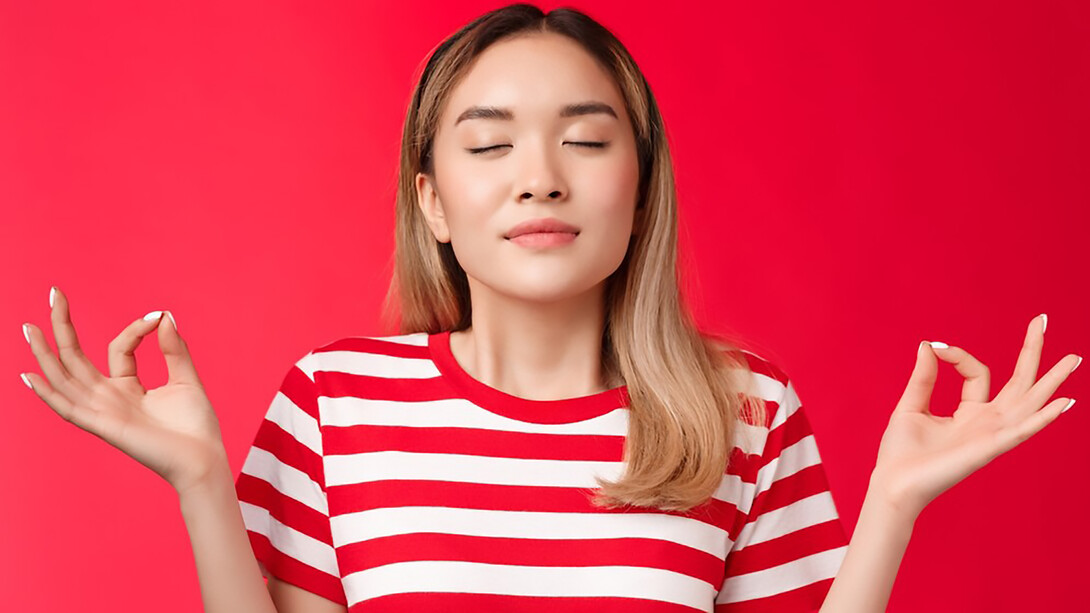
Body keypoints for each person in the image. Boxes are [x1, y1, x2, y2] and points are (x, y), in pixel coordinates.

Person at [19, 3, 1081, 613]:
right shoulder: (333, 403)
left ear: (641, 187)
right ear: (433, 202)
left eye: (585, 139)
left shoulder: (744, 409)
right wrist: (202, 484)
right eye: (489, 145)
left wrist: (892, 506)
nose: (539, 178)